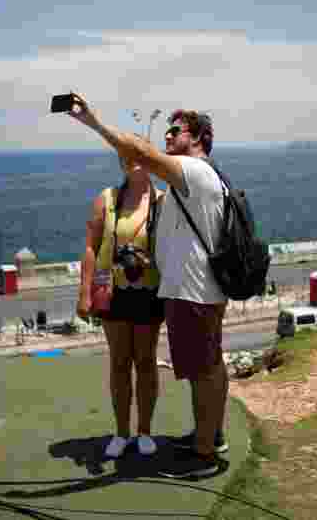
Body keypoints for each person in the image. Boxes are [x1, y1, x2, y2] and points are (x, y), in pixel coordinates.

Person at [66, 95, 229, 479]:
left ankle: (204, 454)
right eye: (166, 131)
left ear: (200, 137)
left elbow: (140, 150)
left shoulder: (194, 172)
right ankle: (210, 436)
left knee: (203, 370)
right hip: (185, 291)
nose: (168, 137)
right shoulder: (184, 182)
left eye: (176, 131)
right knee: (205, 367)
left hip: (193, 292)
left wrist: (94, 122)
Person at [77, 145, 165, 459]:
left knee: (145, 362)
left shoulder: (163, 201)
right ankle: (121, 432)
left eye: (137, 156)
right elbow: (90, 246)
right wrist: (84, 291)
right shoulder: (107, 199)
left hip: (150, 291)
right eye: (124, 157)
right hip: (112, 291)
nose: (131, 162)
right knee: (118, 363)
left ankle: (144, 431)